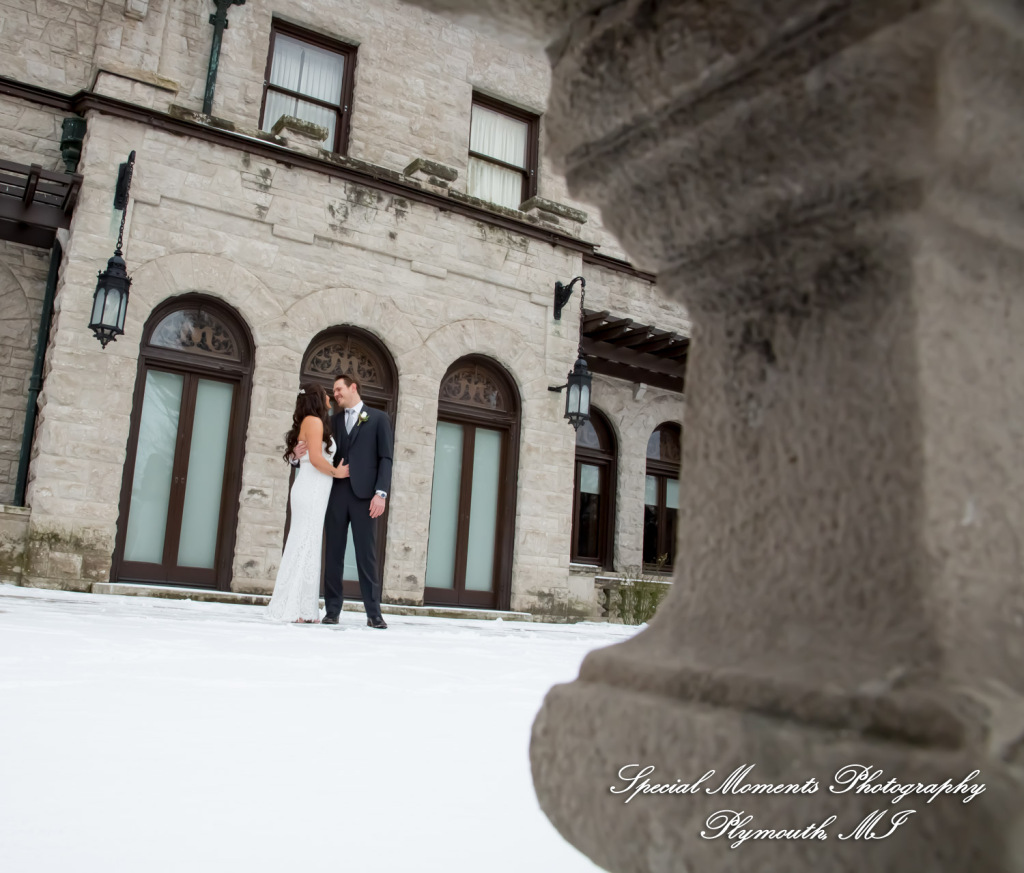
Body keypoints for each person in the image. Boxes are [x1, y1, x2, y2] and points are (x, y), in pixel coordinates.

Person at [296, 373, 393, 629]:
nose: (335, 394)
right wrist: (296, 455)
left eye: (339, 389)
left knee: (366, 557)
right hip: (335, 495)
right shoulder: (331, 421)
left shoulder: (379, 419)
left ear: (353, 387)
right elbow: (315, 450)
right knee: (334, 554)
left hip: (365, 498)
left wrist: (380, 493)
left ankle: (374, 614)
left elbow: (386, 458)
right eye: (333, 391)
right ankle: (332, 610)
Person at [266, 384, 349, 623]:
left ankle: (303, 608)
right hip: (312, 487)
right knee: (304, 542)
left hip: (315, 488)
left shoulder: (312, 421)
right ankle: (293, 607)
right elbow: (314, 458)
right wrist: (337, 472)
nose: (329, 397)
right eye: (325, 394)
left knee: (308, 542)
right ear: (316, 398)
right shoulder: (313, 421)